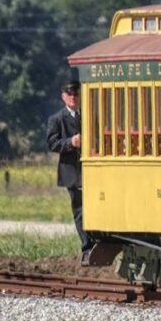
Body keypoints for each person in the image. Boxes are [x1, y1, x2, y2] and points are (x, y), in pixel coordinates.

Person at [47, 80, 92, 263]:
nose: (73, 97)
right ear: (63, 97)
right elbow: (52, 143)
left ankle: (97, 242)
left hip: (89, 170)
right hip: (71, 171)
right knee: (79, 210)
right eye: (70, 94)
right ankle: (87, 245)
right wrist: (70, 143)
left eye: (76, 94)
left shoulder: (88, 116)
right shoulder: (56, 119)